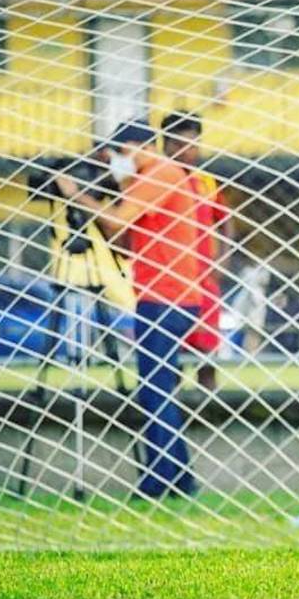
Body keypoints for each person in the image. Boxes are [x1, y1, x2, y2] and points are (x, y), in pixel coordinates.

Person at [58, 119, 201, 499]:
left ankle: (159, 479)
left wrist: (76, 194)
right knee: (160, 389)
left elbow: (120, 219)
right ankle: (180, 477)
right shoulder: (148, 180)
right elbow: (123, 241)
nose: (117, 161)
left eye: (118, 153)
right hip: (166, 296)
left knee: (154, 391)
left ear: (138, 146)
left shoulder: (161, 172)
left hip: (167, 297)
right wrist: (103, 196)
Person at [162, 110, 231, 391]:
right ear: (164, 144)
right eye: (178, 145)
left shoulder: (205, 182)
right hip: (168, 281)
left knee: (207, 360)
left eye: (192, 145)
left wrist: (223, 258)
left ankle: (210, 420)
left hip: (203, 280)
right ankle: (173, 420)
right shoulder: (157, 180)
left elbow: (225, 220)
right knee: (170, 362)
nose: (186, 152)